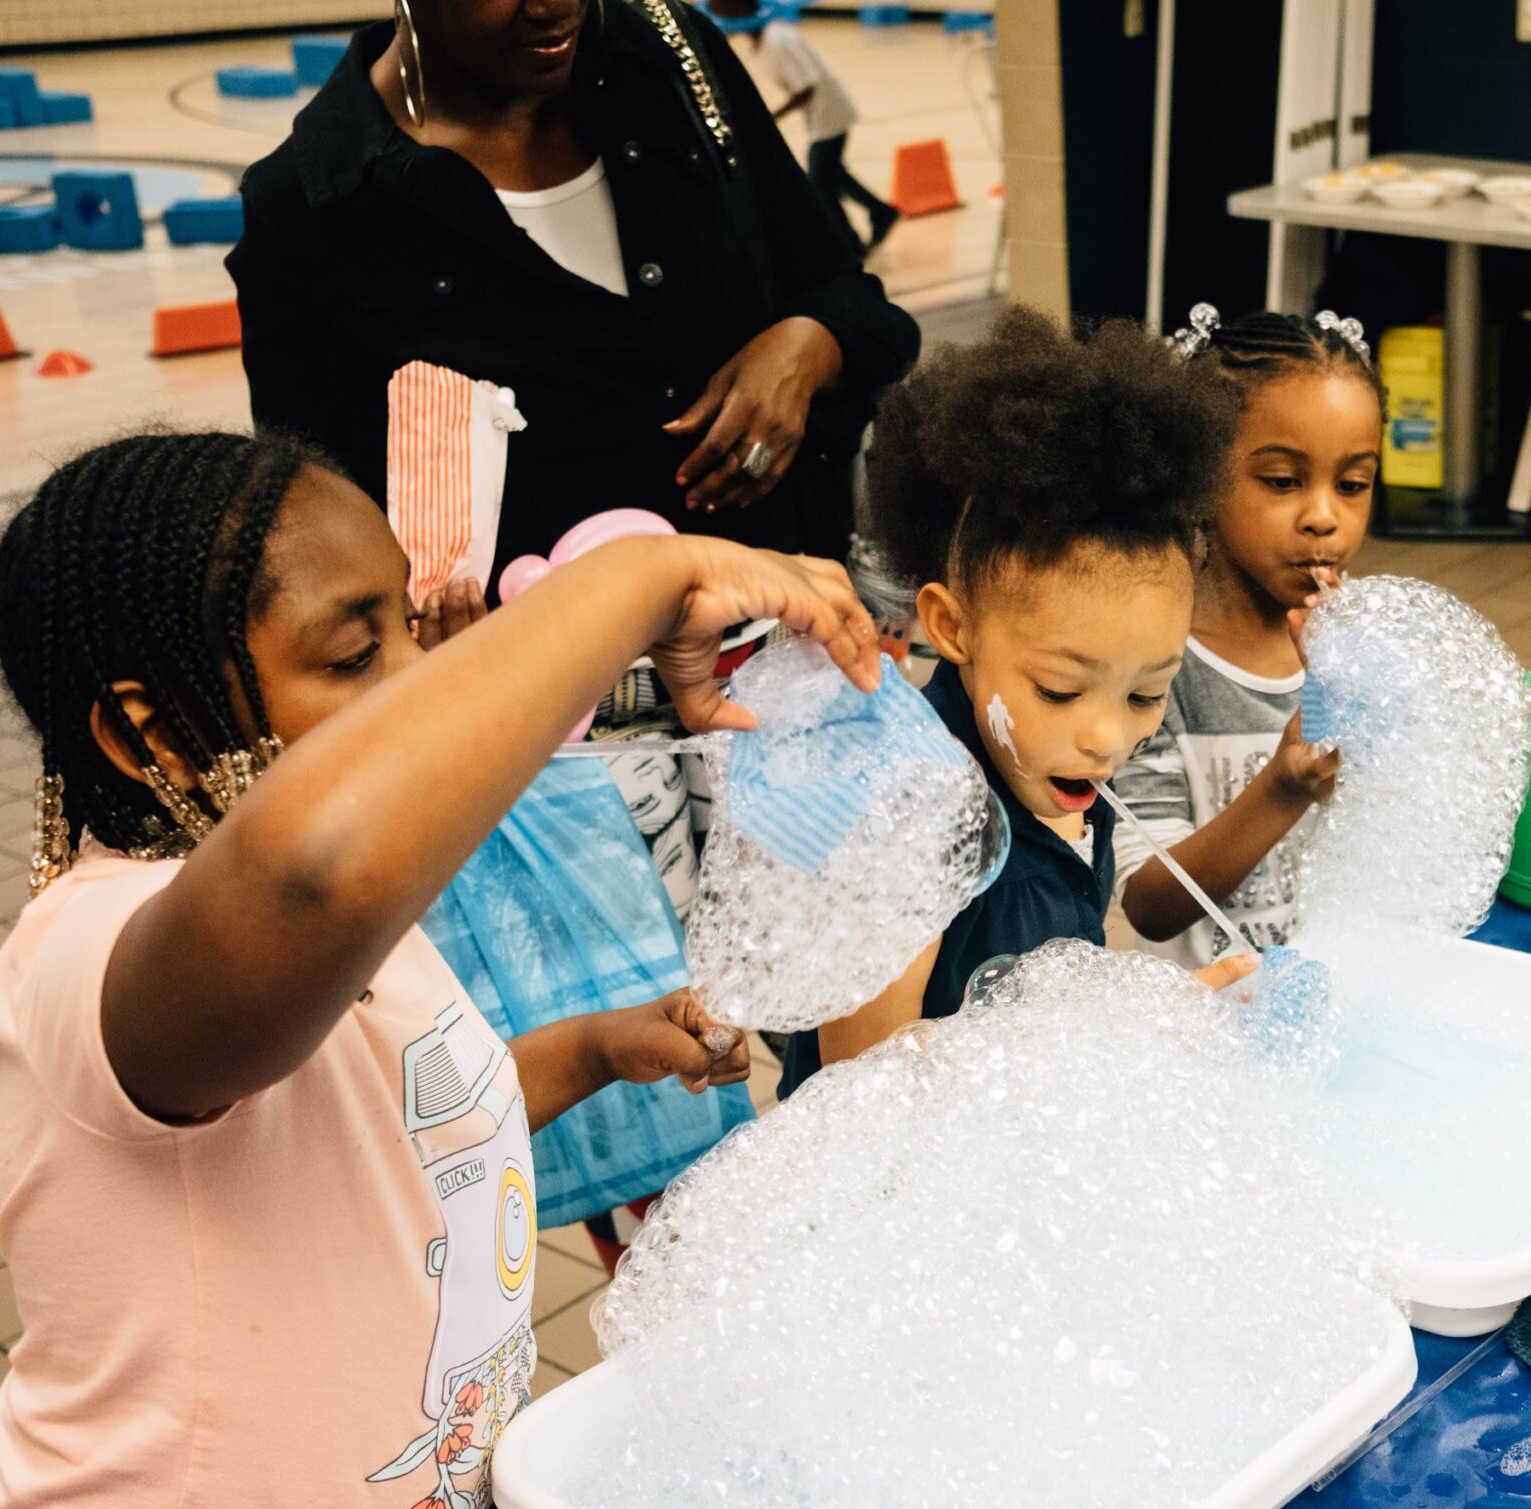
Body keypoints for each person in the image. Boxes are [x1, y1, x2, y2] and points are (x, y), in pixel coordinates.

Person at [0, 428, 876, 1509]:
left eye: (411, 629)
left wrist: (597, 1050)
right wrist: (632, 585)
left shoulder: (347, 941)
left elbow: (390, 1126)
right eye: (353, 654)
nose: (416, 678)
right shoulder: (91, 952)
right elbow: (310, 868)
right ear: (149, 733)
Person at [229, 0, 918, 571]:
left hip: (785, 654)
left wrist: (807, 347)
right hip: (551, 710)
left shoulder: (674, 59)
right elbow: (317, 528)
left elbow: (854, 301)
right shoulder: (313, 205)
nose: (555, 7)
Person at [776, 307, 1253, 1098]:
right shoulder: (912, 816)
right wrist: (1104, 1041)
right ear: (952, 626)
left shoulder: (1052, 775)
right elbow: (860, 1075)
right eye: (1059, 689)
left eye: (1146, 693)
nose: (1107, 737)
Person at [1112, 307, 1385, 968]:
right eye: (1282, 482)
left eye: (1352, 485)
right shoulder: (1158, 669)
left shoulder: (1368, 649)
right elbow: (1150, 905)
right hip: (1212, 1027)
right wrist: (1282, 790)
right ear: (1200, 475)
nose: (1325, 517)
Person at [711, 0, 898, 256]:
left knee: (821, 185)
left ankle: (848, 245)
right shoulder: (764, 38)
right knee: (833, 175)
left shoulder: (777, 40)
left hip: (828, 114)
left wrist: (770, 118)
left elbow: (805, 89)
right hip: (820, 116)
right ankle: (881, 211)